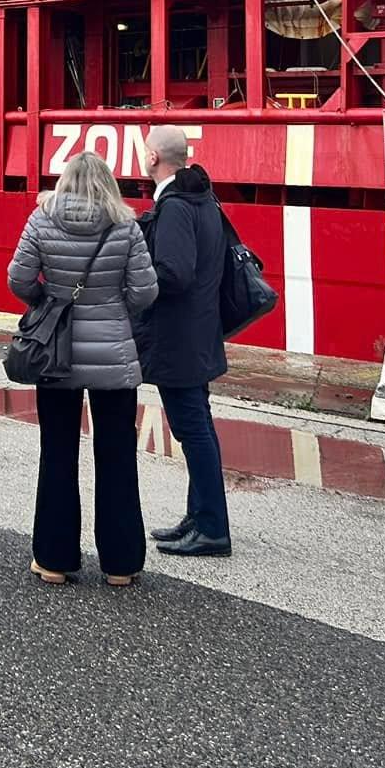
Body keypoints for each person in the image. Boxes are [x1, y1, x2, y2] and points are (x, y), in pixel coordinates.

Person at [7, 151, 158, 586]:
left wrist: (50, 304)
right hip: (113, 358)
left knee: (57, 453)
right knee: (117, 458)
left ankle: (53, 560)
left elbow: (17, 279)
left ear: (65, 179)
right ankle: (121, 565)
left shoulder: (42, 219)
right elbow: (146, 291)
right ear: (107, 183)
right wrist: (113, 312)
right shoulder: (125, 224)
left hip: (56, 356)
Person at [137, 124, 232, 558]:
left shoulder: (175, 206)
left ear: (155, 158)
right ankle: (199, 516)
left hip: (178, 339)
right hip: (199, 332)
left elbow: (173, 273)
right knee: (199, 429)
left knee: (193, 431)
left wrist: (134, 284)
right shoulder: (201, 198)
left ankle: (211, 527)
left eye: (144, 150)